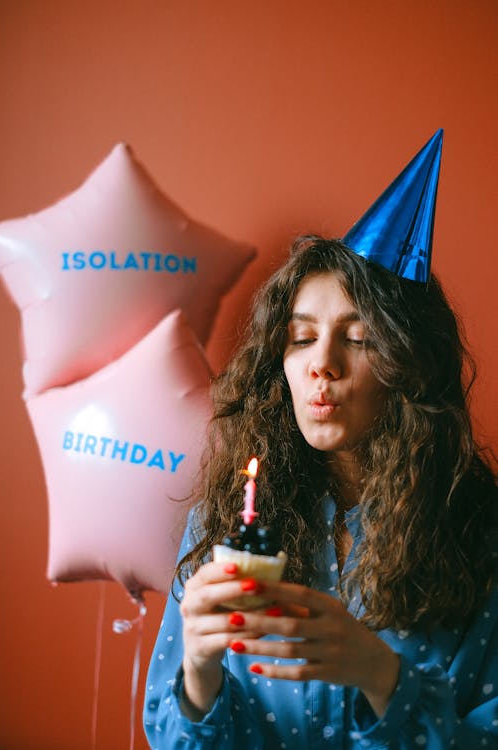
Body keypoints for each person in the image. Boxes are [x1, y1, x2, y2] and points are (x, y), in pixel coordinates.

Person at [144, 134, 497, 749]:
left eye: (357, 340)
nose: (321, 365)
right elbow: (170, 736)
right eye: (301, 338)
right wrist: (198, 675)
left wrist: (382, 676)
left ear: (409, 365)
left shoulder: (479, 532)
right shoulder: (228, 518)